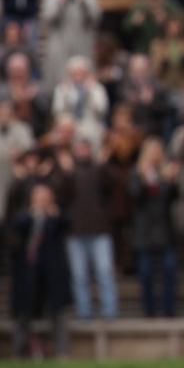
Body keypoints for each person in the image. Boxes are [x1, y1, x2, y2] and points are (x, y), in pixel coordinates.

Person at [10, 183, 72, 358]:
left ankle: (62, 351)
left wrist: (54, 214)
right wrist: (33, 214)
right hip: (29, 273)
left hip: (52, 273)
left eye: (45, 198)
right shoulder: (25, 216)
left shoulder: (56, 216)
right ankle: (20, 351)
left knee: (58, 313)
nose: (42, 201)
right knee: (23, 314)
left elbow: (66, 224)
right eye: (39, 198)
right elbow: (17, 228)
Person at [63, 137, 118, 320]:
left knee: (104, 272)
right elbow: (61, 195)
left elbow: (113, 186)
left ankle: (110, 312)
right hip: (76, 231)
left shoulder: (99, 169)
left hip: (99, 229)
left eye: (86, 148)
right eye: (79, 148)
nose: (82, 152)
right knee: (79, 276)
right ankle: (84, 312)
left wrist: (104, 165)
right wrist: (67, 173)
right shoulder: (69, 172)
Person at [129, 138, 179, 317]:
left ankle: (168, 310)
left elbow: (173, 198)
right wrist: (145, 179)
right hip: (145, 232)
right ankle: (149, 310)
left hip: (164, 230)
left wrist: (171, 181)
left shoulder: (165, 173)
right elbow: (135, 196)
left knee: (169, 270)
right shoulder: (137, 172)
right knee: (146, 273)